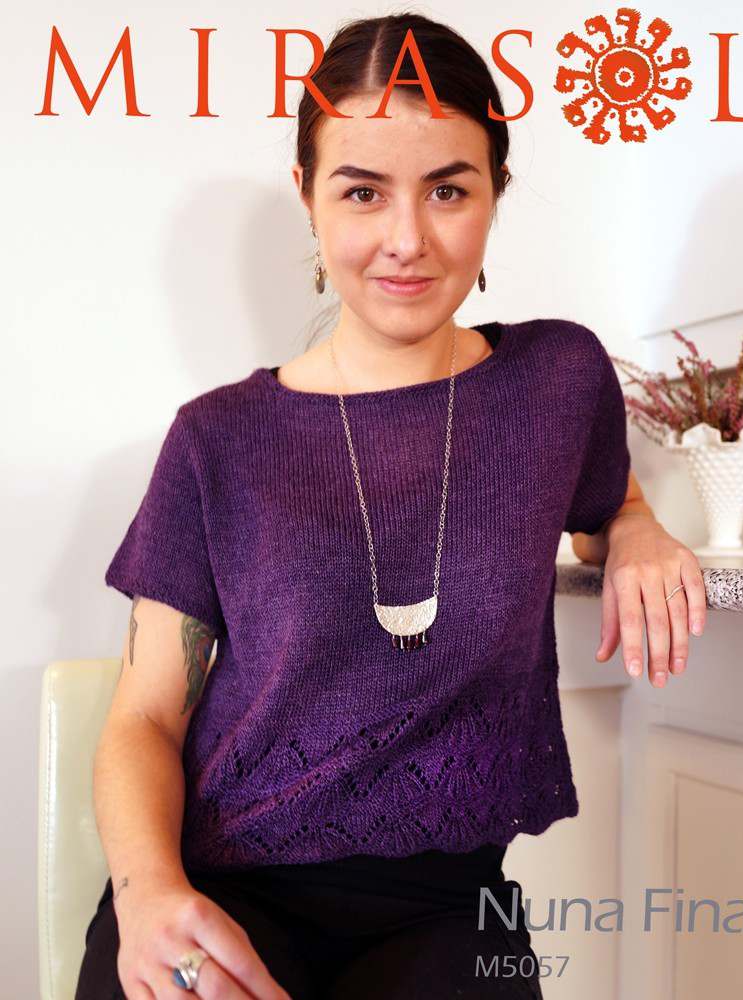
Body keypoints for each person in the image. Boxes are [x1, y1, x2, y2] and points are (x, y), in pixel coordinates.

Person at [76, 11, 706, 1000]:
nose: (406, 240)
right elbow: (144, 717)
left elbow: (602, 498)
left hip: (447, 907)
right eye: (362, 191)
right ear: (308, 196)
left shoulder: (555, 380)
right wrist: (150, 894)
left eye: (448, 189)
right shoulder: (216, 439)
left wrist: (636, 526)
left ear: (495, 190)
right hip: (222, 883)